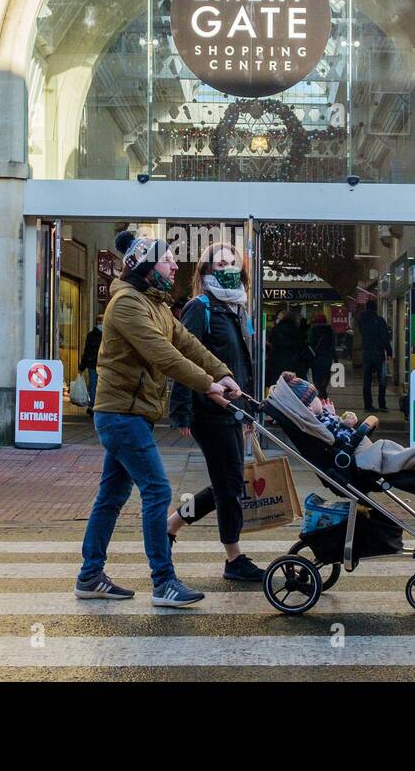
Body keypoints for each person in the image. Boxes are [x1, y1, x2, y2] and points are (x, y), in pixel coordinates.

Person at [76, 230, 241, 608]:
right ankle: (163, 581)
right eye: (167, 259)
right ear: (148, 268)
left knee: (112, 495)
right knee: (157, 490)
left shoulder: (157, 304)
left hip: (132, 414)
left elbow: (187, 343)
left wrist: (222, 373)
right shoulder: (126, 305)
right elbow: (164, 355)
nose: (174, 265)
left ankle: (89, 575)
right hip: (120, 415)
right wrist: (208, 386)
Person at [167, 241, 263, 583]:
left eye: (230, 262)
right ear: (206, 272)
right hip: (210, 409)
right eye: (217, 263)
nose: (225, 268)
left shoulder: (238, 309)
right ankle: (234, 558)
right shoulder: (200, 306)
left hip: (234, 409)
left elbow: (243, 365)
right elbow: (183, 359)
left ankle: (172, 525)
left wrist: (250, 411)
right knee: (230, 486)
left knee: (227, 483)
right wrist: (181, 411)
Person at [358, 300, 392, 413]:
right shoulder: (380, 320)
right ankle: (382, 404)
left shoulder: (362, 320)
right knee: (381, 380)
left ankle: (368, 405)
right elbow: (385, 338)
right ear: (376, 308)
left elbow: (361, 333)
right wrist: (389, 351)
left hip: (366, 353)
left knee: (366, 381)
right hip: (378, 354)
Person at [267, 309, 304, 384]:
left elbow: (272, 343)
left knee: (278, 385)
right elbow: (301, 345)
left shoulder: (276, 329)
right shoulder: (297, 330)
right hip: (294, 364)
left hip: (277, 363)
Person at [77, 319, 103, 416]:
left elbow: (87, 352)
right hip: (104, 365)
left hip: (92, 364)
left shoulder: (91, 335)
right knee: (103, 385)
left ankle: (93, 405)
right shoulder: (108, 335)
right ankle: (101, 406)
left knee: (93, 384)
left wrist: (82, 366)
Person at [309, 312, 335, 399]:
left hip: (316, 357)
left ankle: (319, 389)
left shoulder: (313, 330)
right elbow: (332, 344)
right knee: (326, 374)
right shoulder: (330, 330)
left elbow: (311, 343)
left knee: (316, 374)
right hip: (327, 356)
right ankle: (323, 389)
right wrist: (335, 358)